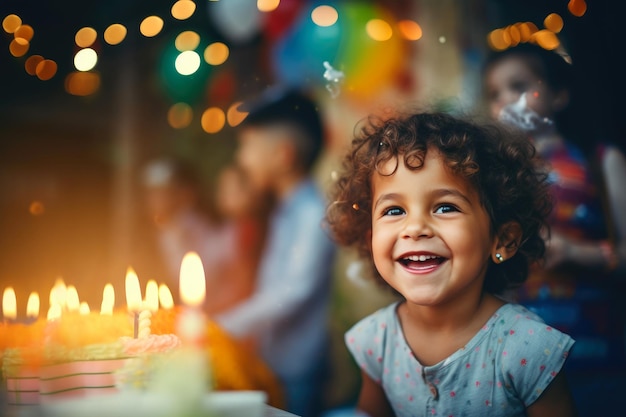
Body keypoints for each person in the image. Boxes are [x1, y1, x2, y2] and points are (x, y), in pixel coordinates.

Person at [325, 110, 576, 417]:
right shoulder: (378, 341)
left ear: (502, 240)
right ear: (370, 239)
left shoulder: (528, 349)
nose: (415, 227)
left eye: (445, 207)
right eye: (393, 211)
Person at [482, 43, 626, 414]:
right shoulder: (493, 178)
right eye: (494, 94)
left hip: (597, 352)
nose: (505, 102)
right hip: (517, 362)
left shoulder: (600, 163)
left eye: (518, 87)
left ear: (559, 95)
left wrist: (577, 252)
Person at [213, 86, 337, 417]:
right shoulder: (284, 210)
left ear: (283, 155)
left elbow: (293, 290)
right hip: (275, 358)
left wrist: (225, 325)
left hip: (297, 367)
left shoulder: (312, 214)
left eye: (248, 147)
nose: (241, 159)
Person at [140, 157, 238, 302]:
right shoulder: (157, 233)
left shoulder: (198, 228)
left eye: (163, 191)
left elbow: (208, 276)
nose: (154, 199)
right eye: (151, 192)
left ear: (186, 193)